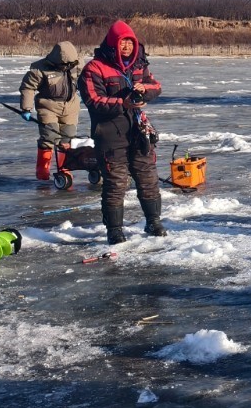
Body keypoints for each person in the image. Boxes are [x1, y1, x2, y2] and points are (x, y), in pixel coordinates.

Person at [79, 21, 165, 244]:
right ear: (112, 43)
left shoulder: (139, 65)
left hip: (138, 131)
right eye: (122, 42)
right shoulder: (94, 68)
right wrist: (123, 103)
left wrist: (144, 90)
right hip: (109, 133)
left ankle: (153, 221)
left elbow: (156, 86)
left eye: (130, 42)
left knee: (148, 178)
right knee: (116, 183)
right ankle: (114, 230)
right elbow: (93, 100)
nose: (126, 46)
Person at [19, 41, 83, 180]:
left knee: (68, 138)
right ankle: (42, 169)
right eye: (64, 65)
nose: (67, 67)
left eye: (70, 65)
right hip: (48, 106)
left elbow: (86, 80)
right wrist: (26, 107)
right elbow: (27, 87)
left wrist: (87, 94)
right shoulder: (40, 69)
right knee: (49, 135)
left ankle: (64, 169)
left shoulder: (77, 65)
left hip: (70, 106)